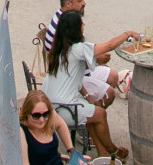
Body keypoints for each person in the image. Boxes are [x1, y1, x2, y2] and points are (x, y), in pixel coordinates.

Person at [44, 9, 136, 160]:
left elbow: (74, 80)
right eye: (81, 23)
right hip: (63, 108)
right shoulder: (77, 49)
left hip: (52, 105)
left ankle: (103, 152)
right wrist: (128, 34)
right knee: (100, 114)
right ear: (75, 29)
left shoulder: (59, 49)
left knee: (93, 111)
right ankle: (113, 149)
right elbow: (109, 45)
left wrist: (88, 97)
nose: (84, 24)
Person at [44, 0, 130, 110]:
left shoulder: (63, 18)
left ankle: (91, 116)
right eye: (80, 1)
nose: (84, 3)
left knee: (113, 76)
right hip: (68, 76)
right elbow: (69, 60)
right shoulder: (64, 26)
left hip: (73, 67)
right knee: (109, 94)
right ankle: (91, 119)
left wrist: (93, 60)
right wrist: (95, 60)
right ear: (69, 4)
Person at [20, 90, 73, 165]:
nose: (41, 120)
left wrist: (70, 149)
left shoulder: (50, 116)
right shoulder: (21, 130)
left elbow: (61, 125)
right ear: (27, 113)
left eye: (45, 114)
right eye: (36, 116)